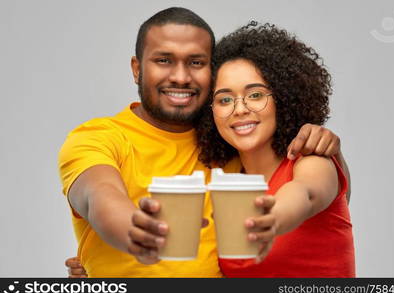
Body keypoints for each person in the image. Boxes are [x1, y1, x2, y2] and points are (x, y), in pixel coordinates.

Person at [60, 8, 350, 278]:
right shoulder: (99, 138)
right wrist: (128, 237)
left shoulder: (240, 158)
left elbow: (310, 194)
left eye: (196, 62)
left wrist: (274, 217)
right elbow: (100, 195)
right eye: (164, 60)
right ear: (137, 69)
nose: (181, 76)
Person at [195, 21, 355, 277]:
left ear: (282, 97)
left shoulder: (311, 161)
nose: (239, 109)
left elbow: (305, 194)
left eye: (255, 95)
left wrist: (272, 219)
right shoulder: (227, 184)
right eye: (225, 99)